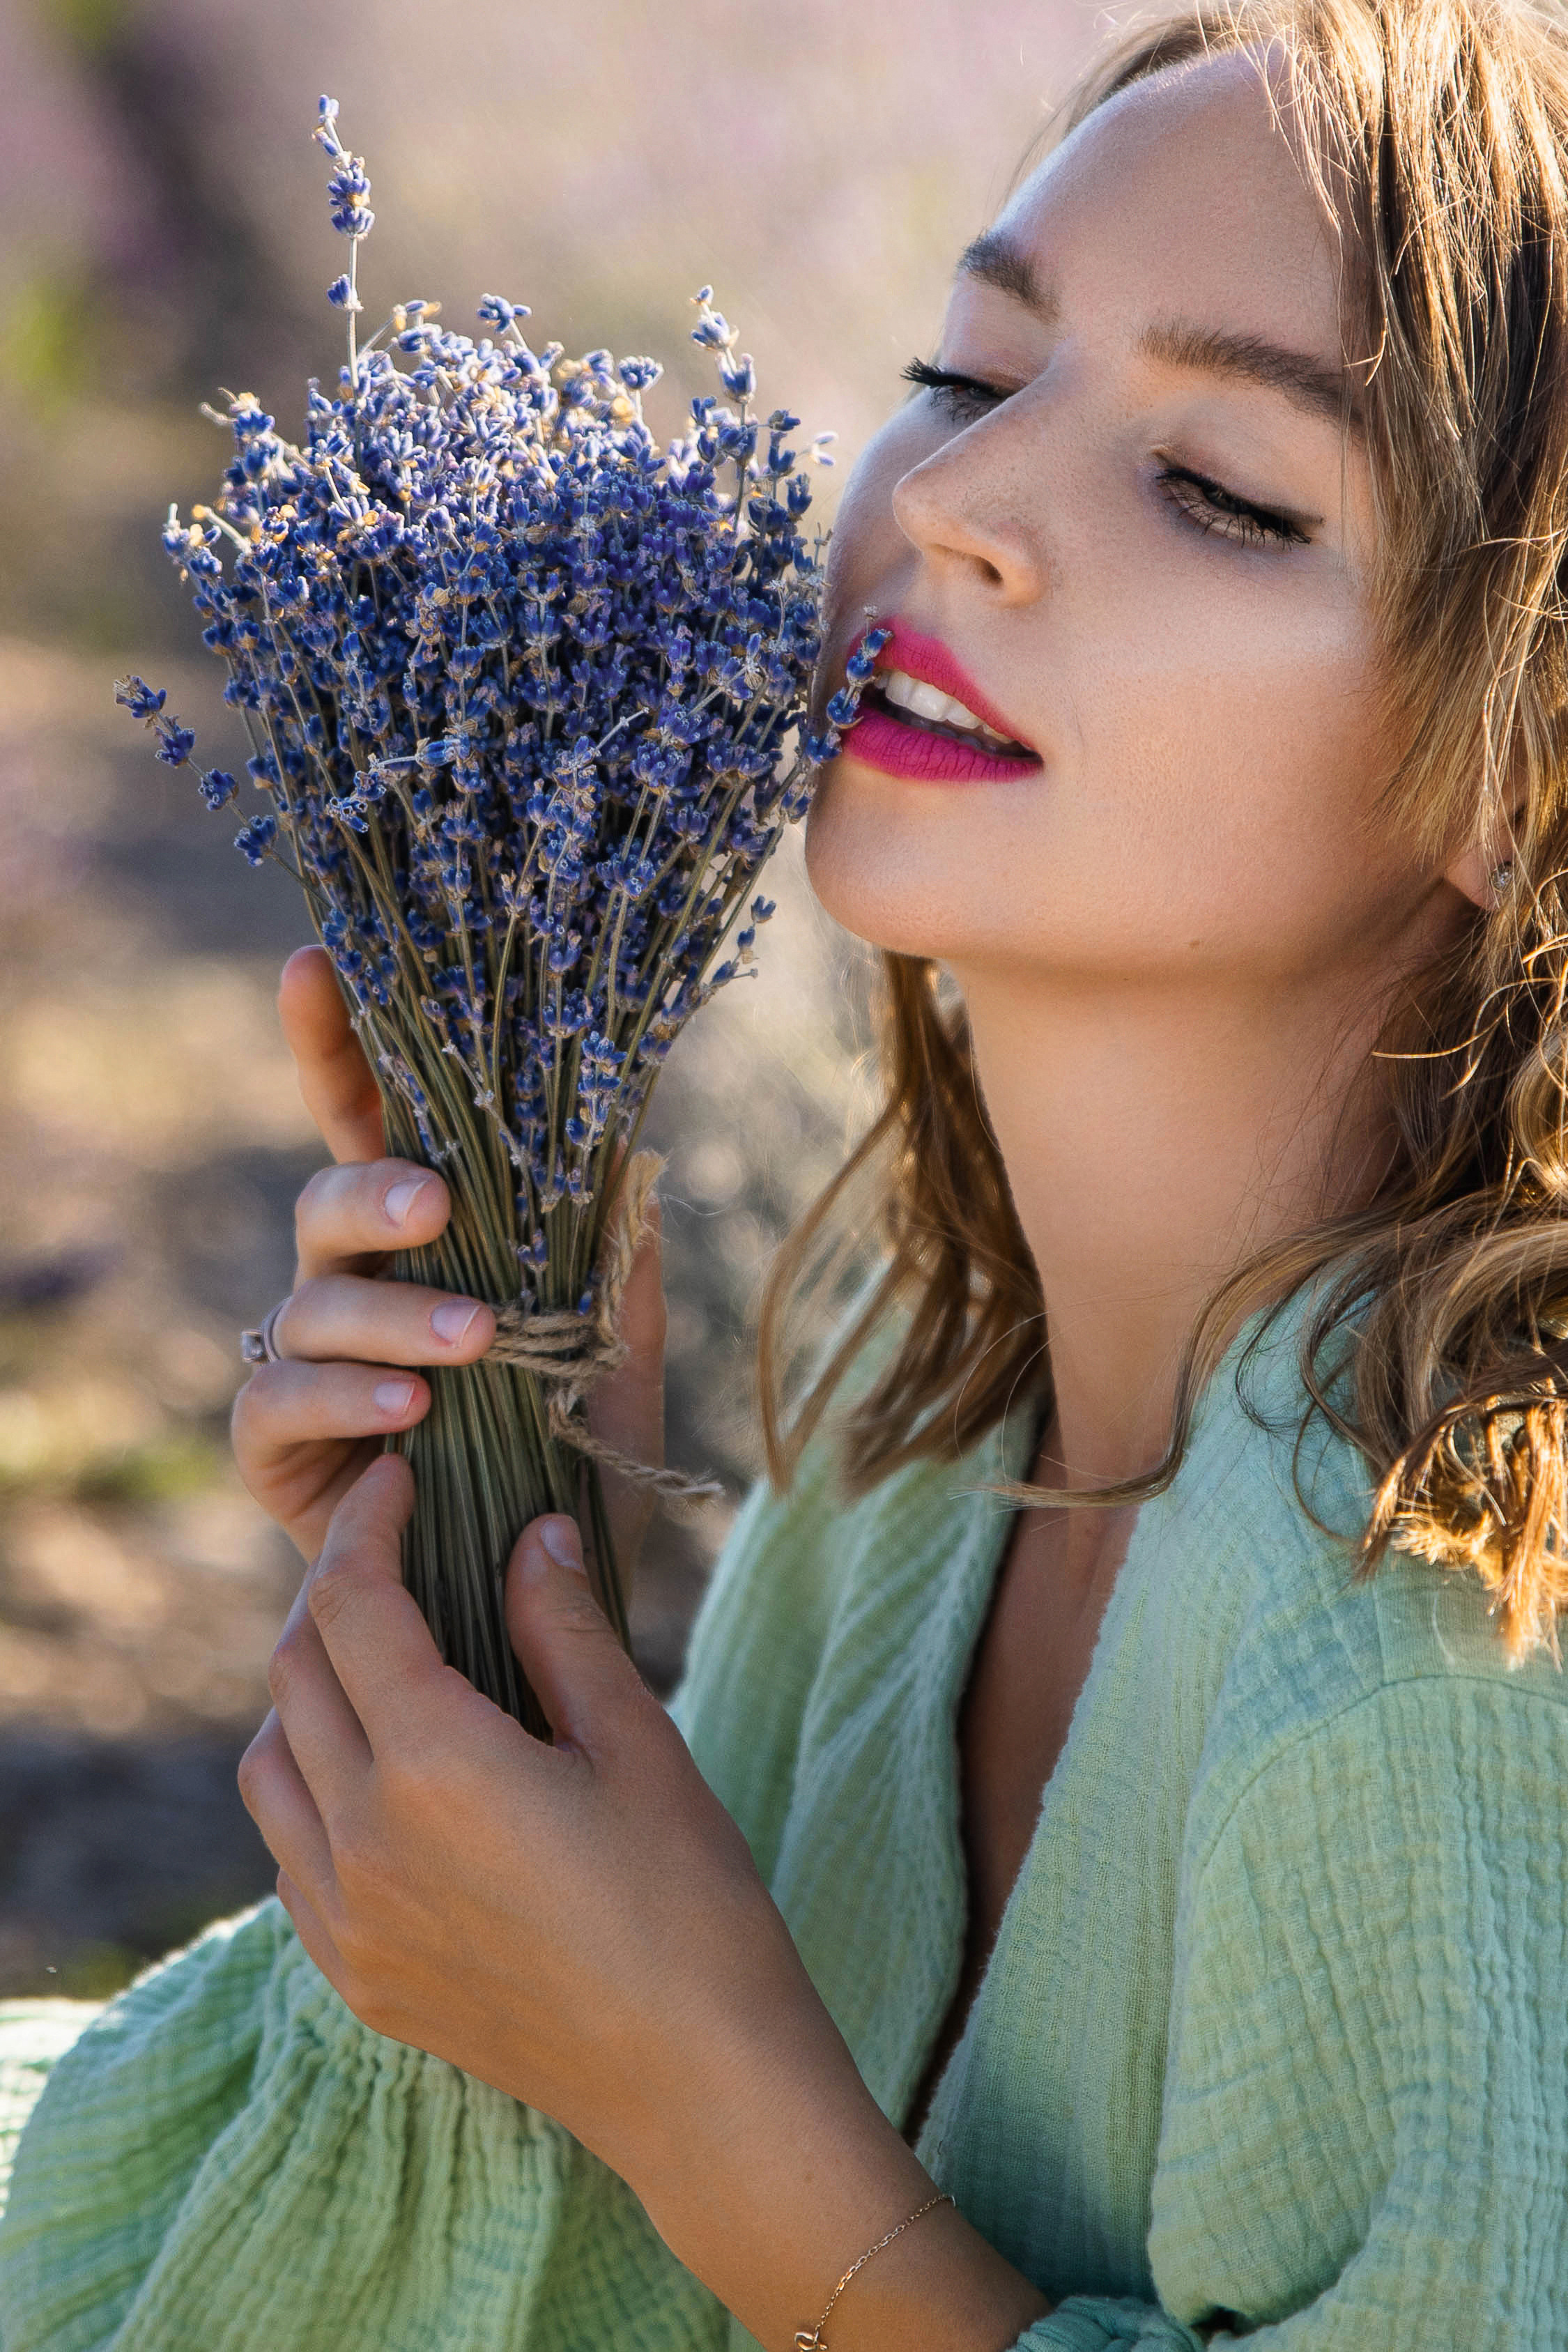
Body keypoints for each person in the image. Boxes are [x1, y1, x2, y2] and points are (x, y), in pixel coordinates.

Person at [3, 1, 1568, 2343]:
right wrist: (512, 1551)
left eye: (1222, 490)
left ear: (1515, 777)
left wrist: (702, 2093)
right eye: (966, 374)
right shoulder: (921, 1434)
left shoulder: (1432, 1649)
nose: (949, 500)